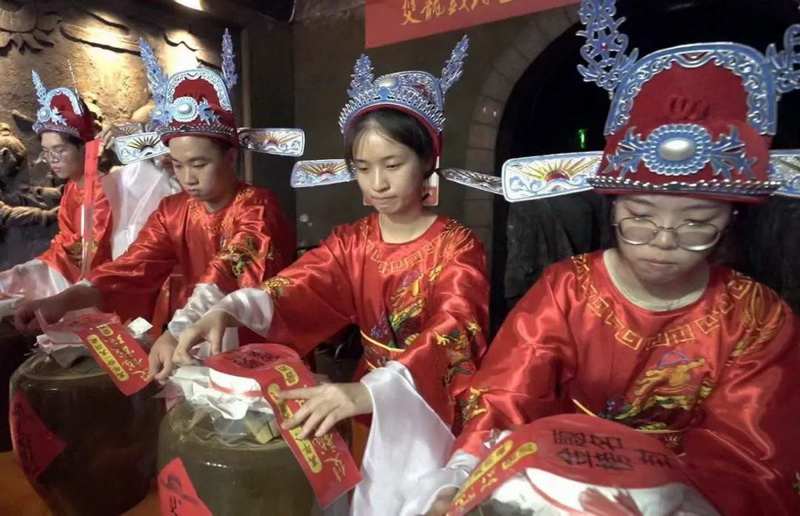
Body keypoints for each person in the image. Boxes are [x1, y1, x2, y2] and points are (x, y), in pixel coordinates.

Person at [418, 1, 800, 515]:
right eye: (640, 217)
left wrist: (664, 500)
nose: (664, 240)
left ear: (731, 220)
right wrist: (466, 475)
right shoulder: (568, 290)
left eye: (696, 224)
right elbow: (506, 395)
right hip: (560, 486)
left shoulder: (757, 317)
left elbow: (751, 458)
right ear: (613, 208)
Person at [173, 37, 502, 514]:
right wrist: (229, 309)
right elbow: (298, 284)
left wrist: (374, 391)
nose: (378, 183)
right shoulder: (353, 240)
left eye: (393, 165)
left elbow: (453, 329)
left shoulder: (458, 246)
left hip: (432, 400)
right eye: (363, 168)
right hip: (365, 393)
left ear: (429, 159)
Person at [14, 32, 301, 375]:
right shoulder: (173, 210)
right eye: (177, 165)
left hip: (252, 338)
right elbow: (132, 267)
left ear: (230, 158)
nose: (188, 178)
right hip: (192, 331)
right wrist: (64, 299)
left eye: (199, 164)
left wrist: (179, 329)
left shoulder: (257, 206)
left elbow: (228, 270)